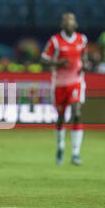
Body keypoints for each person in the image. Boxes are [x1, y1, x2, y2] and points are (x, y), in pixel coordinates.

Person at [40, 13, 88, 166]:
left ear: (76, 24)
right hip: (60, 84)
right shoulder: (55, 41)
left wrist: (85, 64)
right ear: (62, 24)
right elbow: (43, 59)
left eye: (71, 20)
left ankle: (75, 153)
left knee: (77, 113)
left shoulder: (82, 39)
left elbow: (84, 55)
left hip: (76, 81)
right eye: (66, 20)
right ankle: (60, 146)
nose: (69, 23)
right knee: (61, 117)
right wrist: (58, 63)